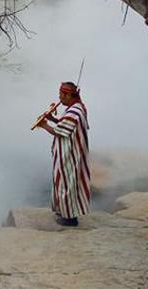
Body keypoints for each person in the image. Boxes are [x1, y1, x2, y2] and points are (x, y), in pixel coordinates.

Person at [38, 82, 90, 227]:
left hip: (70, 153)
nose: (60, 98)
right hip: (68, 152)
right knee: (63, 181)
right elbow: (63, 124)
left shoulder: (74, 112)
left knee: (66, 182)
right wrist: (52, 119)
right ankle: (63, 210)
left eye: (61, 95)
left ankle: (69, 218)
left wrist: (44, 125)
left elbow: (59, 131)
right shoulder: (76, 107)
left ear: (68, 95)